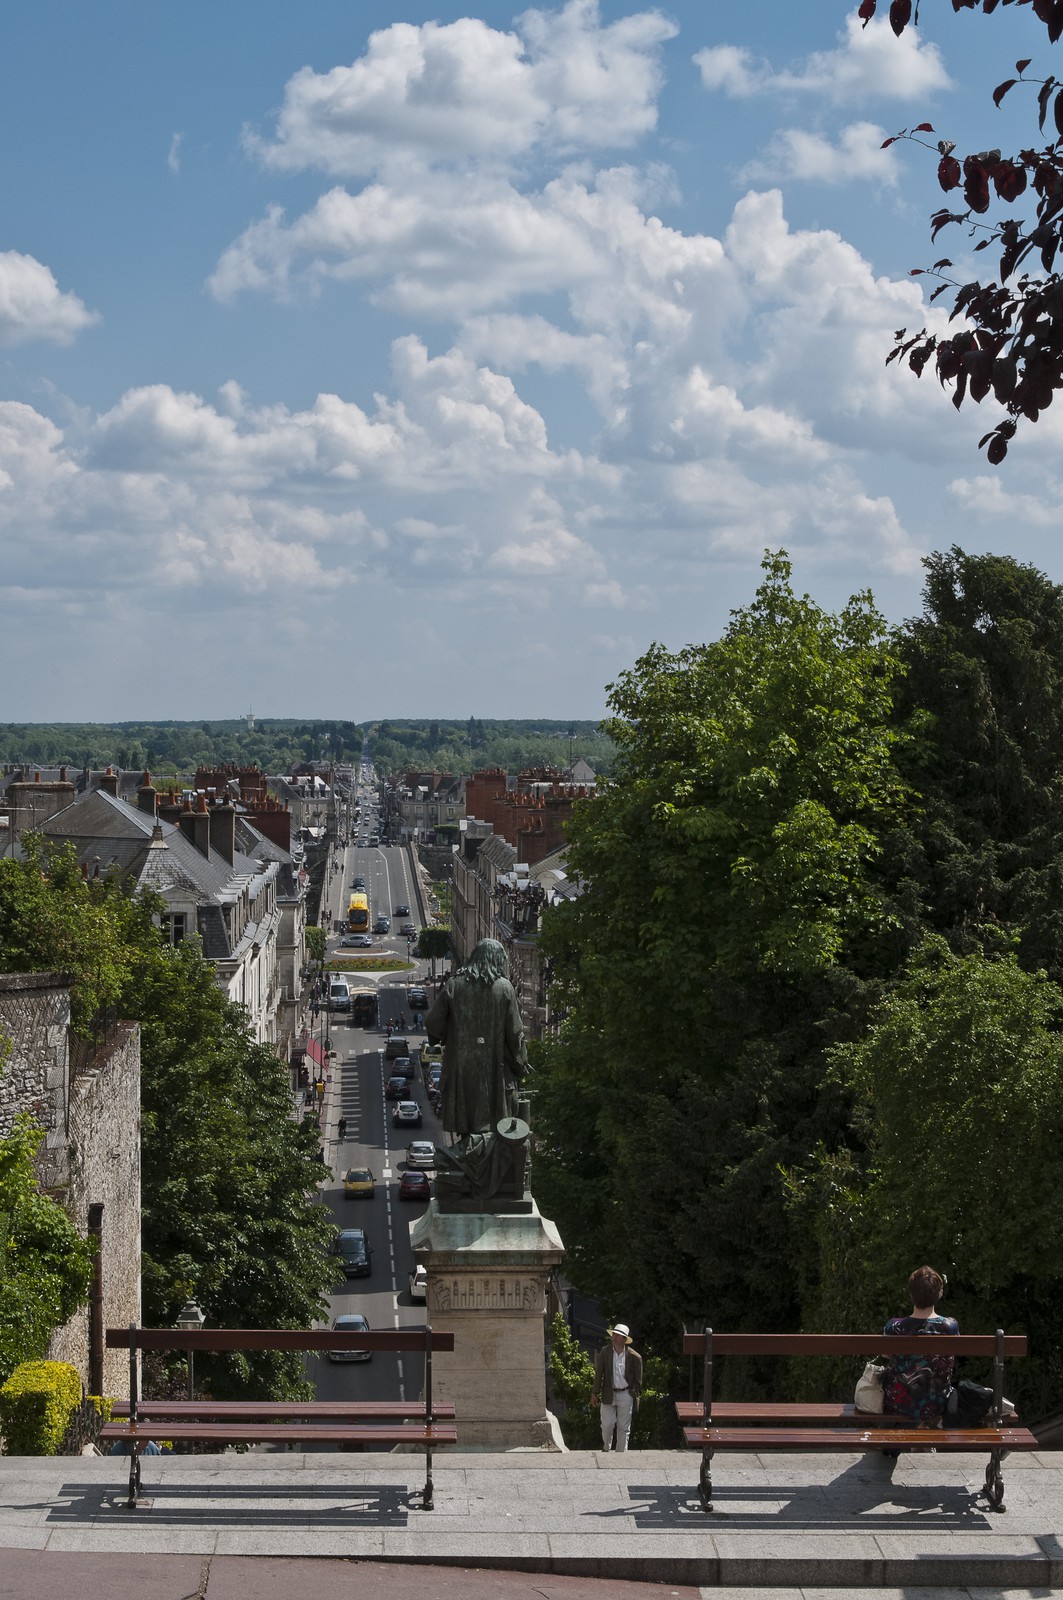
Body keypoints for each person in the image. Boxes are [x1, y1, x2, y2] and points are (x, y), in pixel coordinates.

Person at [882, 1265, 958, 1424]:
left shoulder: (894, 1326)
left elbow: (885, 1355)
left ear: (911, 1294)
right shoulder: (949, 1326)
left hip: (900, 1402)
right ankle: (922, 1441)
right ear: (939, 1294)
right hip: (938, 1402)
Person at [591, 1322, 643, 1452]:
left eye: (618, 1335)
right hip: (609, 1392)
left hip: (626, 1394)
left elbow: (638, 1380)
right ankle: (606, 1447)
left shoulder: (634, 1357)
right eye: (614, 1334)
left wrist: (633, 1393)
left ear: (624, 1339)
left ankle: (621, 1454)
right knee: (607, 1424)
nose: (614, 1337)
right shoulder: (605, 1352)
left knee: (623, 1427)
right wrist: (594, 1393)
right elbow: (599, 1374)